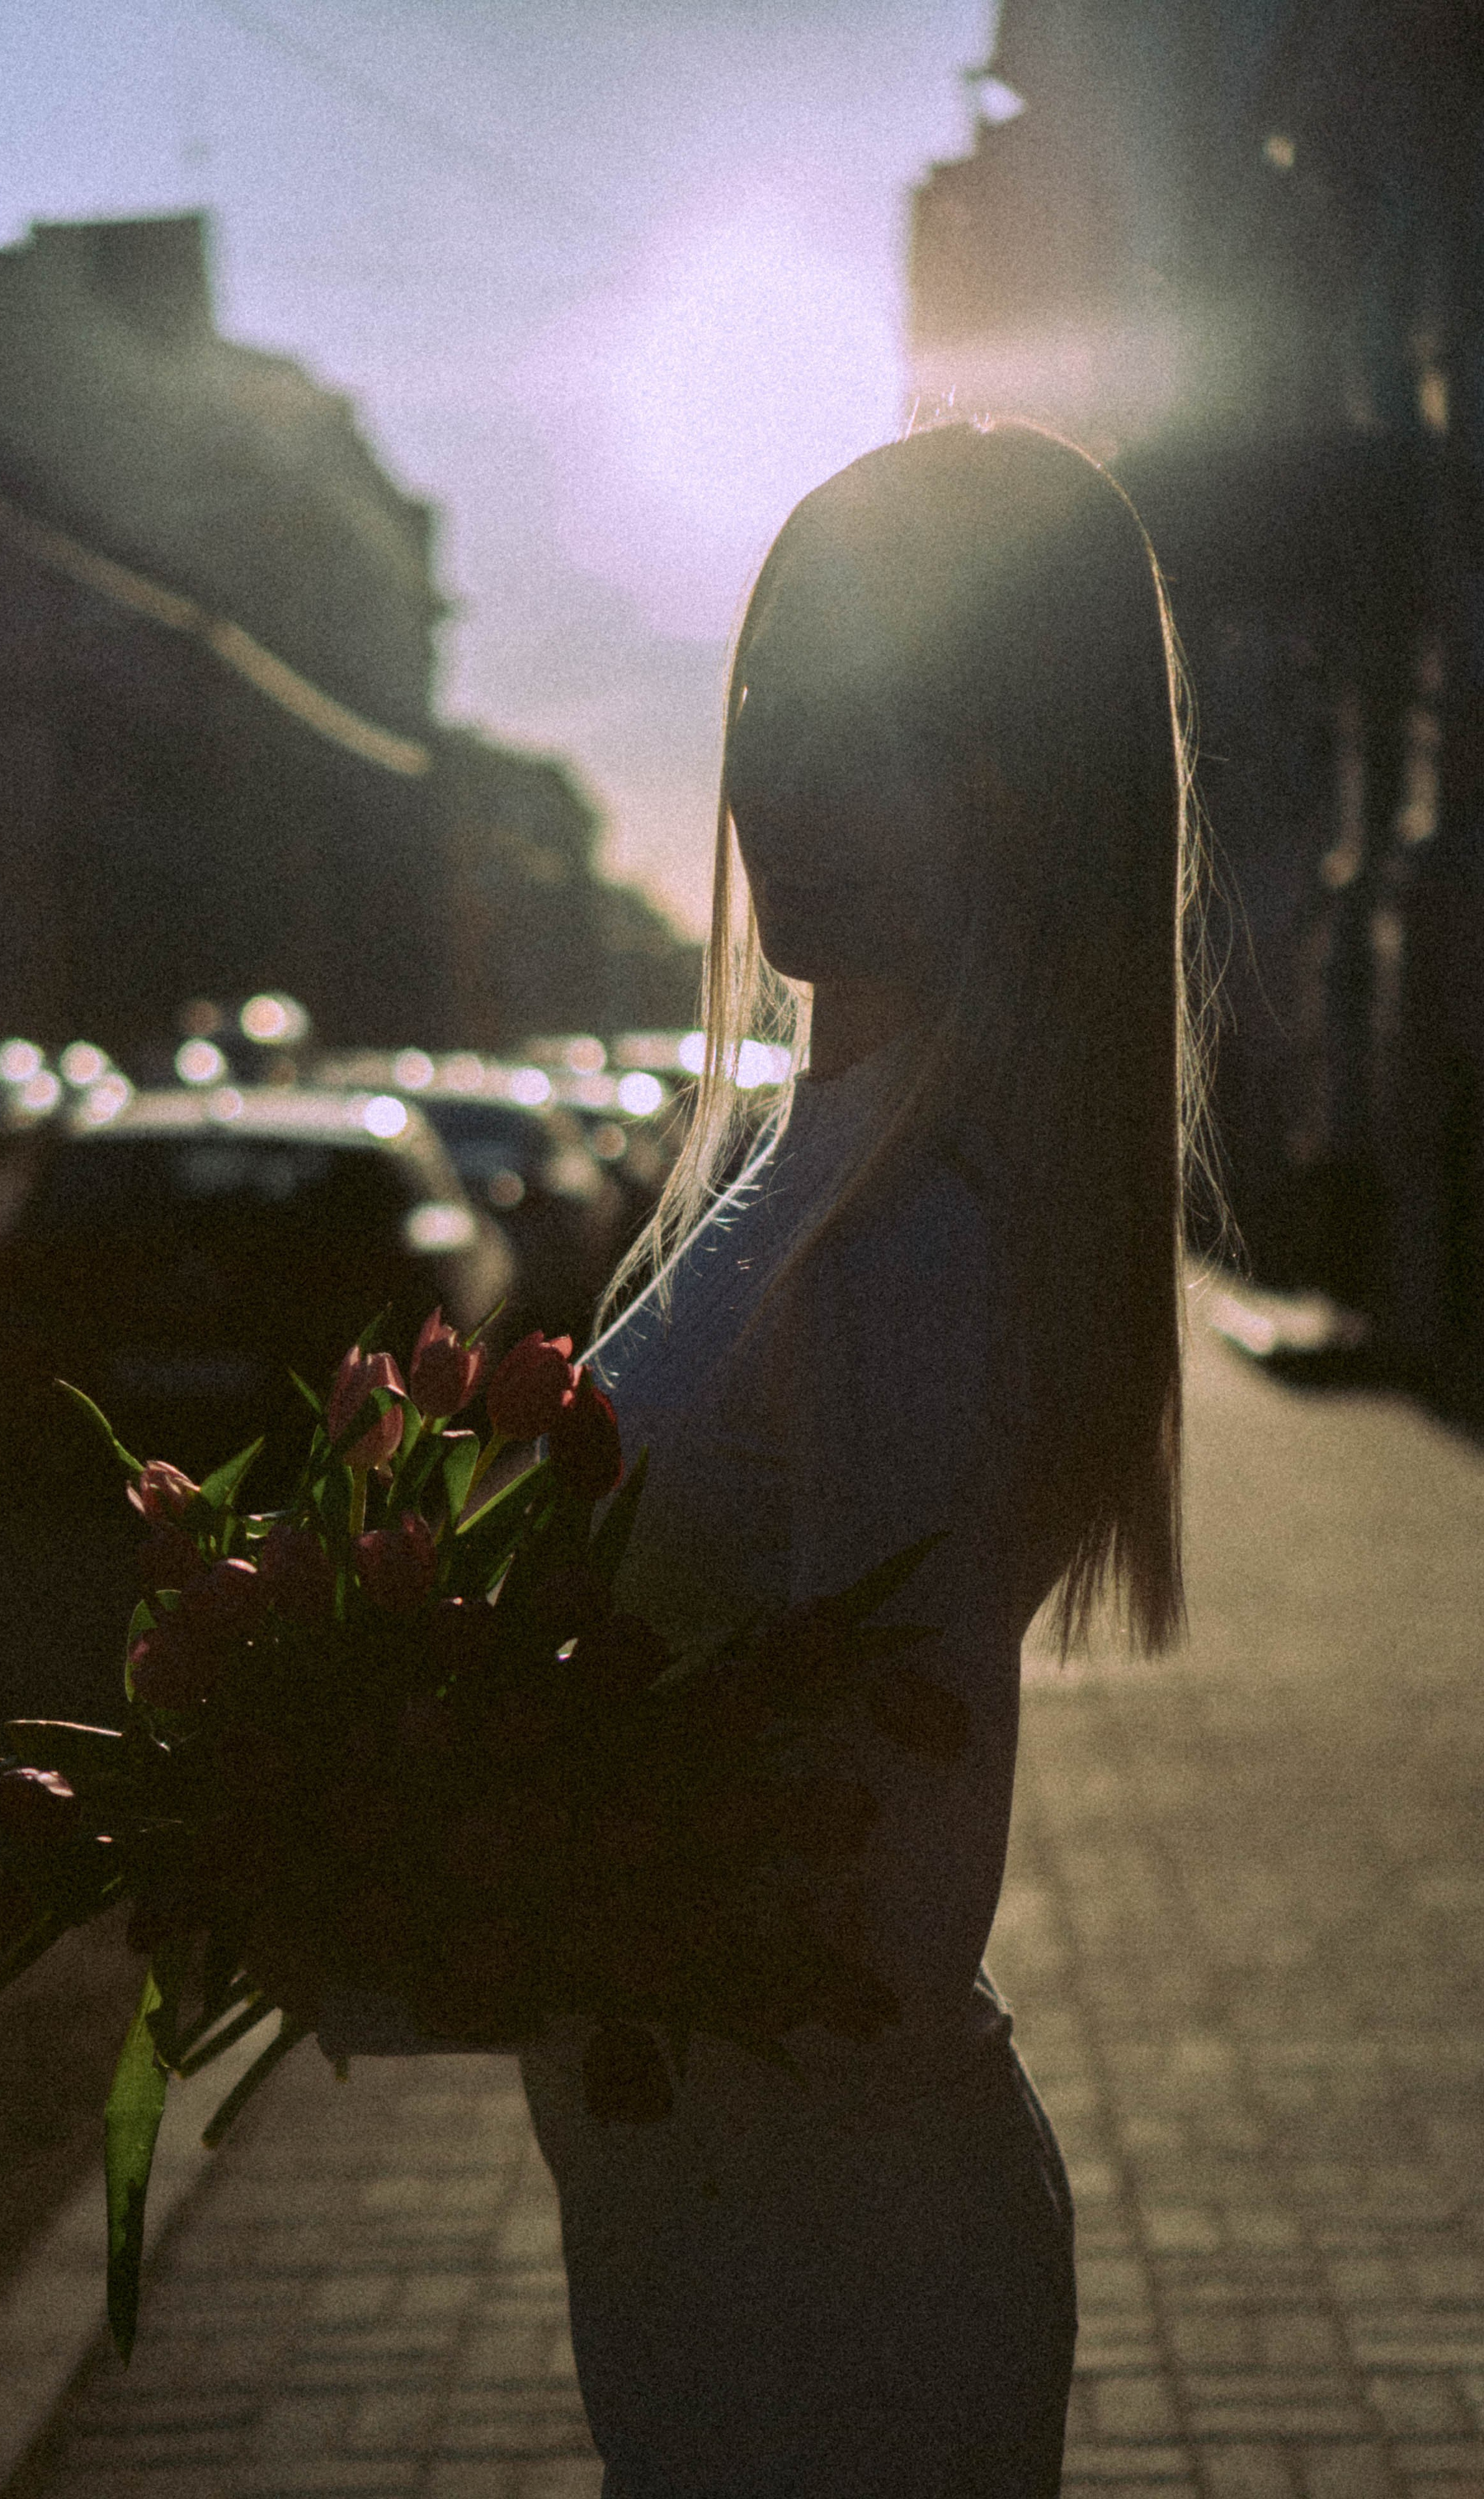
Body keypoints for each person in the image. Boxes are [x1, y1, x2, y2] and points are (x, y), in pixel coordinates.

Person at [507, 420, 1210, 2497]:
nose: (782, 779)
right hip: (751, 2228)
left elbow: (880, 1909)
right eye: (766, 704)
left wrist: (439, 1850)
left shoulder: (916, 1234)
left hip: (828, 2278)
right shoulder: (834, 1149)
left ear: (1022, 778)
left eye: (878, 721)